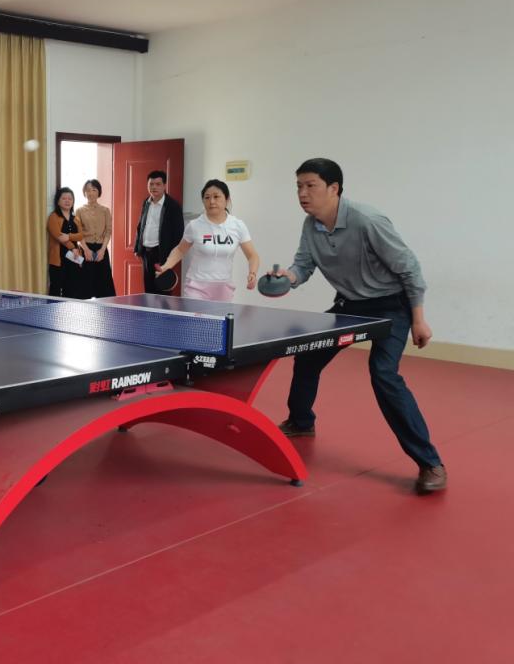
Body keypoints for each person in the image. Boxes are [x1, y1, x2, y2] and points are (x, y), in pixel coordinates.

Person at [270, 157, 446, 494]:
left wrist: (419, 319)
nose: (302, 193)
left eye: (310, 186)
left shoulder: (367, 220)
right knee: (308, 355)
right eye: (299, 186)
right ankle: (301, 421)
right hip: (350, 305)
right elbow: (303, 265)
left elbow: (409, 268)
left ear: (333, 188)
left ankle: (430, 463)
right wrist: (287, 277)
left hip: (391, 307)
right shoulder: (311, 224)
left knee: (383, 374)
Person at [155, 179, 259, 301]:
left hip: (223, 288)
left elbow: (252, 255)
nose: (212, 201)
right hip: (196, 286)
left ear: (227, 199)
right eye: (207, 197)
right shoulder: (194, 225)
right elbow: (180, 250)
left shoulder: (238, 226)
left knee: (221, 315)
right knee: (195, 314)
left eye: (216, 196)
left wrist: (252, 273)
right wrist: (166, 266)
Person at [133, 170, 184, 294]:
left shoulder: (173, 206)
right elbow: (140, 226)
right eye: (151, 184)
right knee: (148, 289)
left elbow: (179, 234)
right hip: (146, 254)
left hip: (162, 254)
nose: (154, 187)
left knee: (162, 291)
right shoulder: (146, 202)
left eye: (158, 184)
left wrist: (170, 256)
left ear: (164, 185)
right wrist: (137, 248)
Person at [75, 179, 117, 298]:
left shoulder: (105, 210)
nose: (91, 193)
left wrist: (102, 250)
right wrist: (86, 250)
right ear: (84, 193)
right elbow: (79, 233)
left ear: (99, 192)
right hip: (86, 249)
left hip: (101, 250)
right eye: (88, 190)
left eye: (94, 190)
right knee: (84, 285)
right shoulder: (79, 211)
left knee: (104, 286)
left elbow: (108, 231)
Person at [47, 187, 87, 298]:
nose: (67, 201)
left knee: (72, 289)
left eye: (70, 198)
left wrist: (69, 236)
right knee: (55, 289)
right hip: (58, 259)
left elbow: (81, 235)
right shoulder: (53, 217)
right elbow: (59, 237)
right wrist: (72, 248)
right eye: (64, 198)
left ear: (73, 201)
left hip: (74, 258)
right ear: (58, 201)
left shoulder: (76, 218)